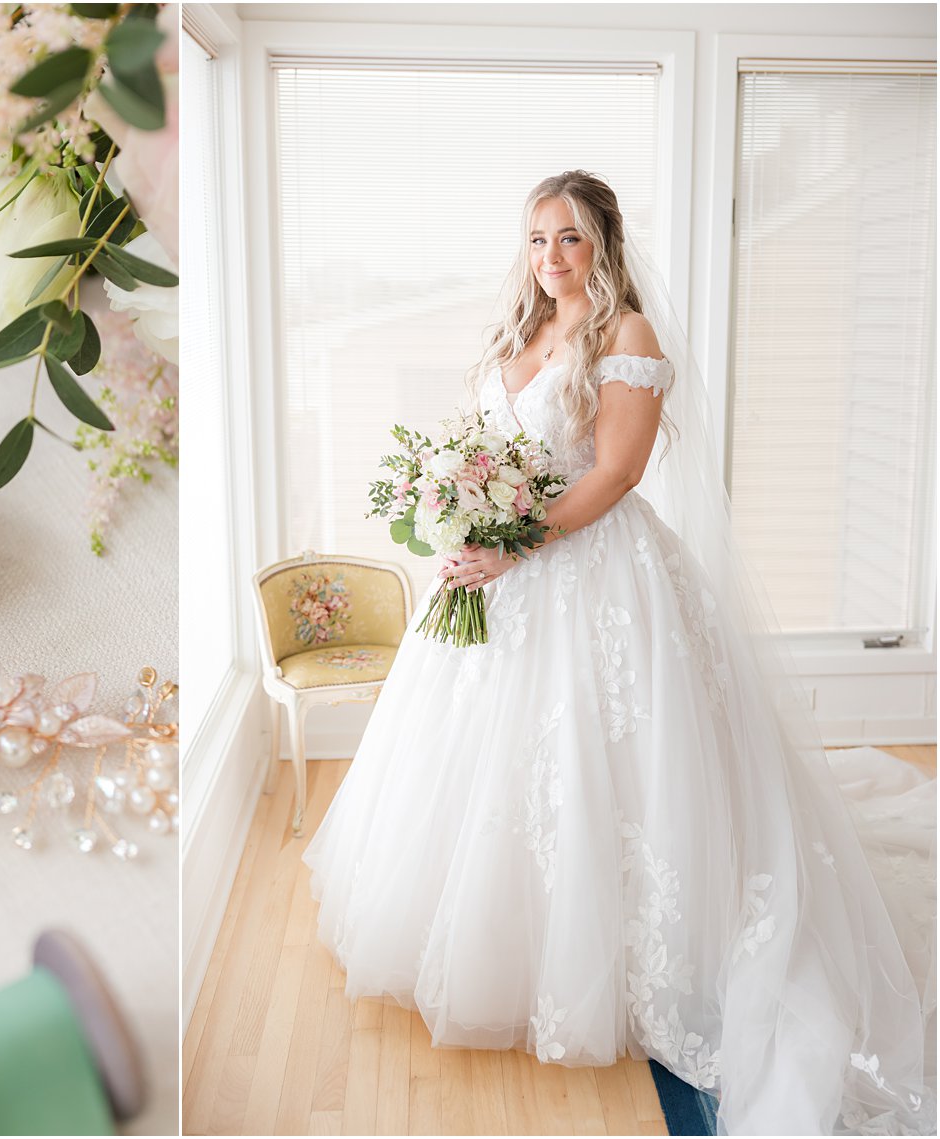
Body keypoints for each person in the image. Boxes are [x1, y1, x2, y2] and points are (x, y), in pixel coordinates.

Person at [301, 170, 936, 1135]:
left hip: (591, 570)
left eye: (569, 239)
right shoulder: (518, 335)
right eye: (536, 239)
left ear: (603, 244)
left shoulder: (625, 337)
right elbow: (481, 447)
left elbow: (616, 471)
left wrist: (514, 546)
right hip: (499, 571)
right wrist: (464, 526)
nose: (550, 258)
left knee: (608, 767)